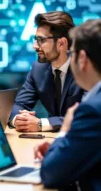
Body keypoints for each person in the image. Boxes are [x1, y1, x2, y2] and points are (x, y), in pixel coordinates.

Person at [34, 19, 101, 190]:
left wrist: (64, 131)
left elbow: (50, 174)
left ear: (82, 59)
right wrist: (66, 147)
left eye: (71, 53)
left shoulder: (92, 108)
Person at [9, 11, 84, 132]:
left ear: (61, 43)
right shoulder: (38, 69)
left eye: (41, 40)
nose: (35, 46)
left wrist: (41, 124)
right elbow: (19, 105)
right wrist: (19, 119)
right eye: (35, 39)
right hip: (51, 140)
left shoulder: (85, 69)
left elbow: (88, 116)